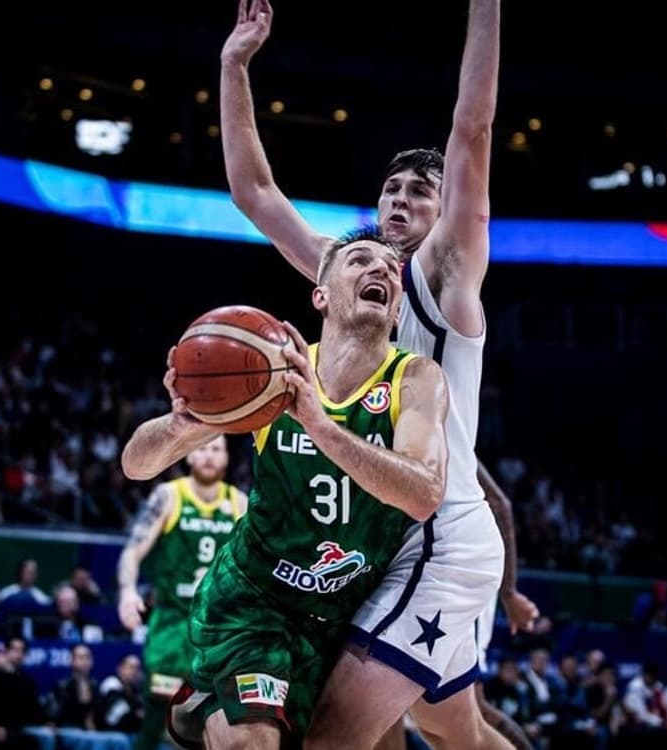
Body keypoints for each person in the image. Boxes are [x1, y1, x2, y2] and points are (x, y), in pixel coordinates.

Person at [219, 0, 536, 746]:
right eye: (392, 190)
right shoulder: (352, 268)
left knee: (335, 732)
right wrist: (234, 65)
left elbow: (473, 128)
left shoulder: (447, 273)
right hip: (383, 535)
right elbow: (255, 194)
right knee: (459, 729)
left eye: (418, 193)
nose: (399, 199)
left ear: (444, 212)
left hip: (439, 535)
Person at [122, 229, 451, 748]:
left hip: (345, 619)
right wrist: (182, 425)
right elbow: (137, 463)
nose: (381, 270)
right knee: (253, 742)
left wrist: (320, 425)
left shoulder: (416, 378)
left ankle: (206, 704)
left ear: (397, 310)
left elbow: (424, 492)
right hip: (255, 603)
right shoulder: (274, 374)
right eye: (359, 260)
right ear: (321, 296)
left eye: (391, 267)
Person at [117, 433, 248, 749]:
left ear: (227, 459)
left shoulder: (239, 503)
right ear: (189, 456)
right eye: (202, 448)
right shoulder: (169, 496)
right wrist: (126, 591)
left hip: (218, 629)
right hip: (173, 623)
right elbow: (133, 551)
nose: (209, 456)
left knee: (211, 718)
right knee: (158, 707)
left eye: (217, 449)